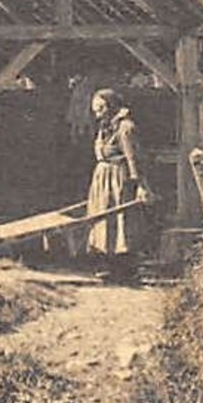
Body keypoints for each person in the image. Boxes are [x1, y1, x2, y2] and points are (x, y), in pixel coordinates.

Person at [86, 88, 153, 280]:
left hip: (118, 179)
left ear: (111, 106)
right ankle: (106, 261)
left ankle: (123, 265)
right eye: (95, 110)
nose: (97, 114)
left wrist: (140, 184)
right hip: (102, 178)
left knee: (120, 218)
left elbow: (133, 158)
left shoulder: (126, 128)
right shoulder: (105, 128)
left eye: (100, 109)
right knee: (103, 217)